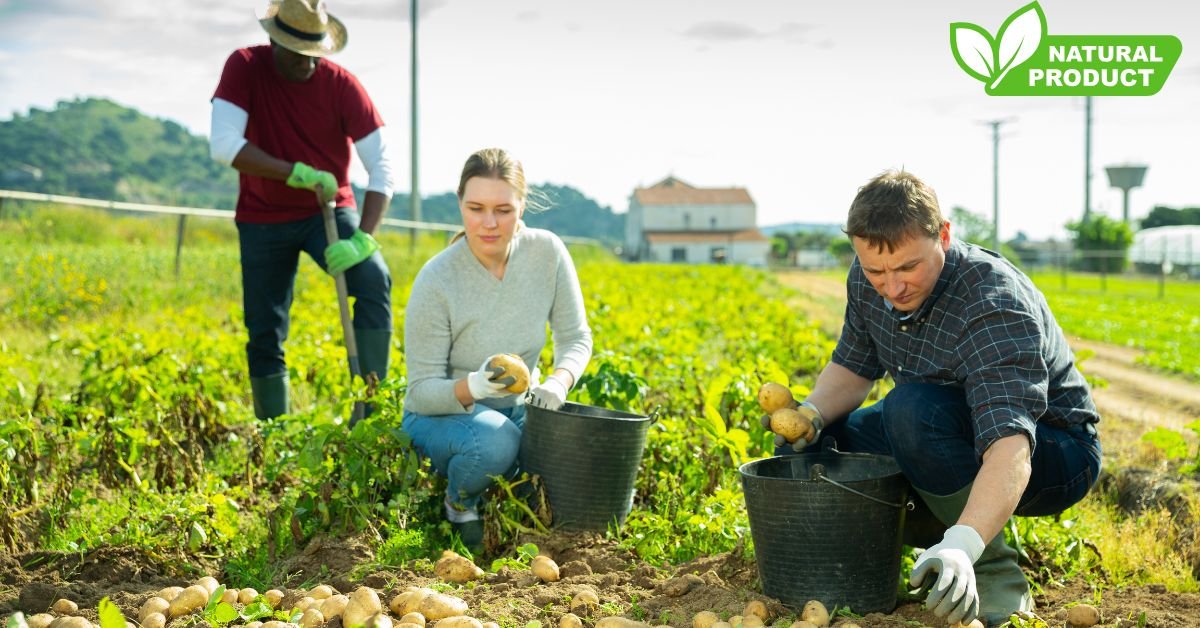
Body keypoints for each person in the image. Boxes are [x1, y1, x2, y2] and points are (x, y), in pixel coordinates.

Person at [765, 171, 1101, 627]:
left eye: (908, 268)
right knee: (822, 447)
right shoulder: (869, 280)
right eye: (876, 270)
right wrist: (811, 414)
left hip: (1053, 450)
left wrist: (966, 542)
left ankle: (991, 569)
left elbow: (1011, 444)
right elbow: (853, 366)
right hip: (946, 423)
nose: (893, 286)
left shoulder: (992, 301)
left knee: (910, 411)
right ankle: (864, 566)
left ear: (943, 233)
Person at [208, 0, 395, 419]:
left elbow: (382, 165)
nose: (309, 63)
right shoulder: (244, 67)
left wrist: (365, 236)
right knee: (264, 327)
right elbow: (223, 144)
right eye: (298, 52)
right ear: (275, 40)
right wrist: (295, 173)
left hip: (327, 208)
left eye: (316, 52)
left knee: (373, 277)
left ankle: (371, 411)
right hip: (262, 215)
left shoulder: (342, 85)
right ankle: (273, 429)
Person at [401, 148, 593, 551]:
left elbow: (576, 338)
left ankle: (507, 506)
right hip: (445, 415)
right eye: (476, 208)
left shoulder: (546, 253)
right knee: (496, 442)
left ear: (522, 206)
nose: (489, 224)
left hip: (522, 407)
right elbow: (420, 393)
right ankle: (460, 505)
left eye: (503, 210)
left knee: (576, 448)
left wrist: (559, 382)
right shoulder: (438, 279)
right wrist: (473, 386)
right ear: (460, 204)